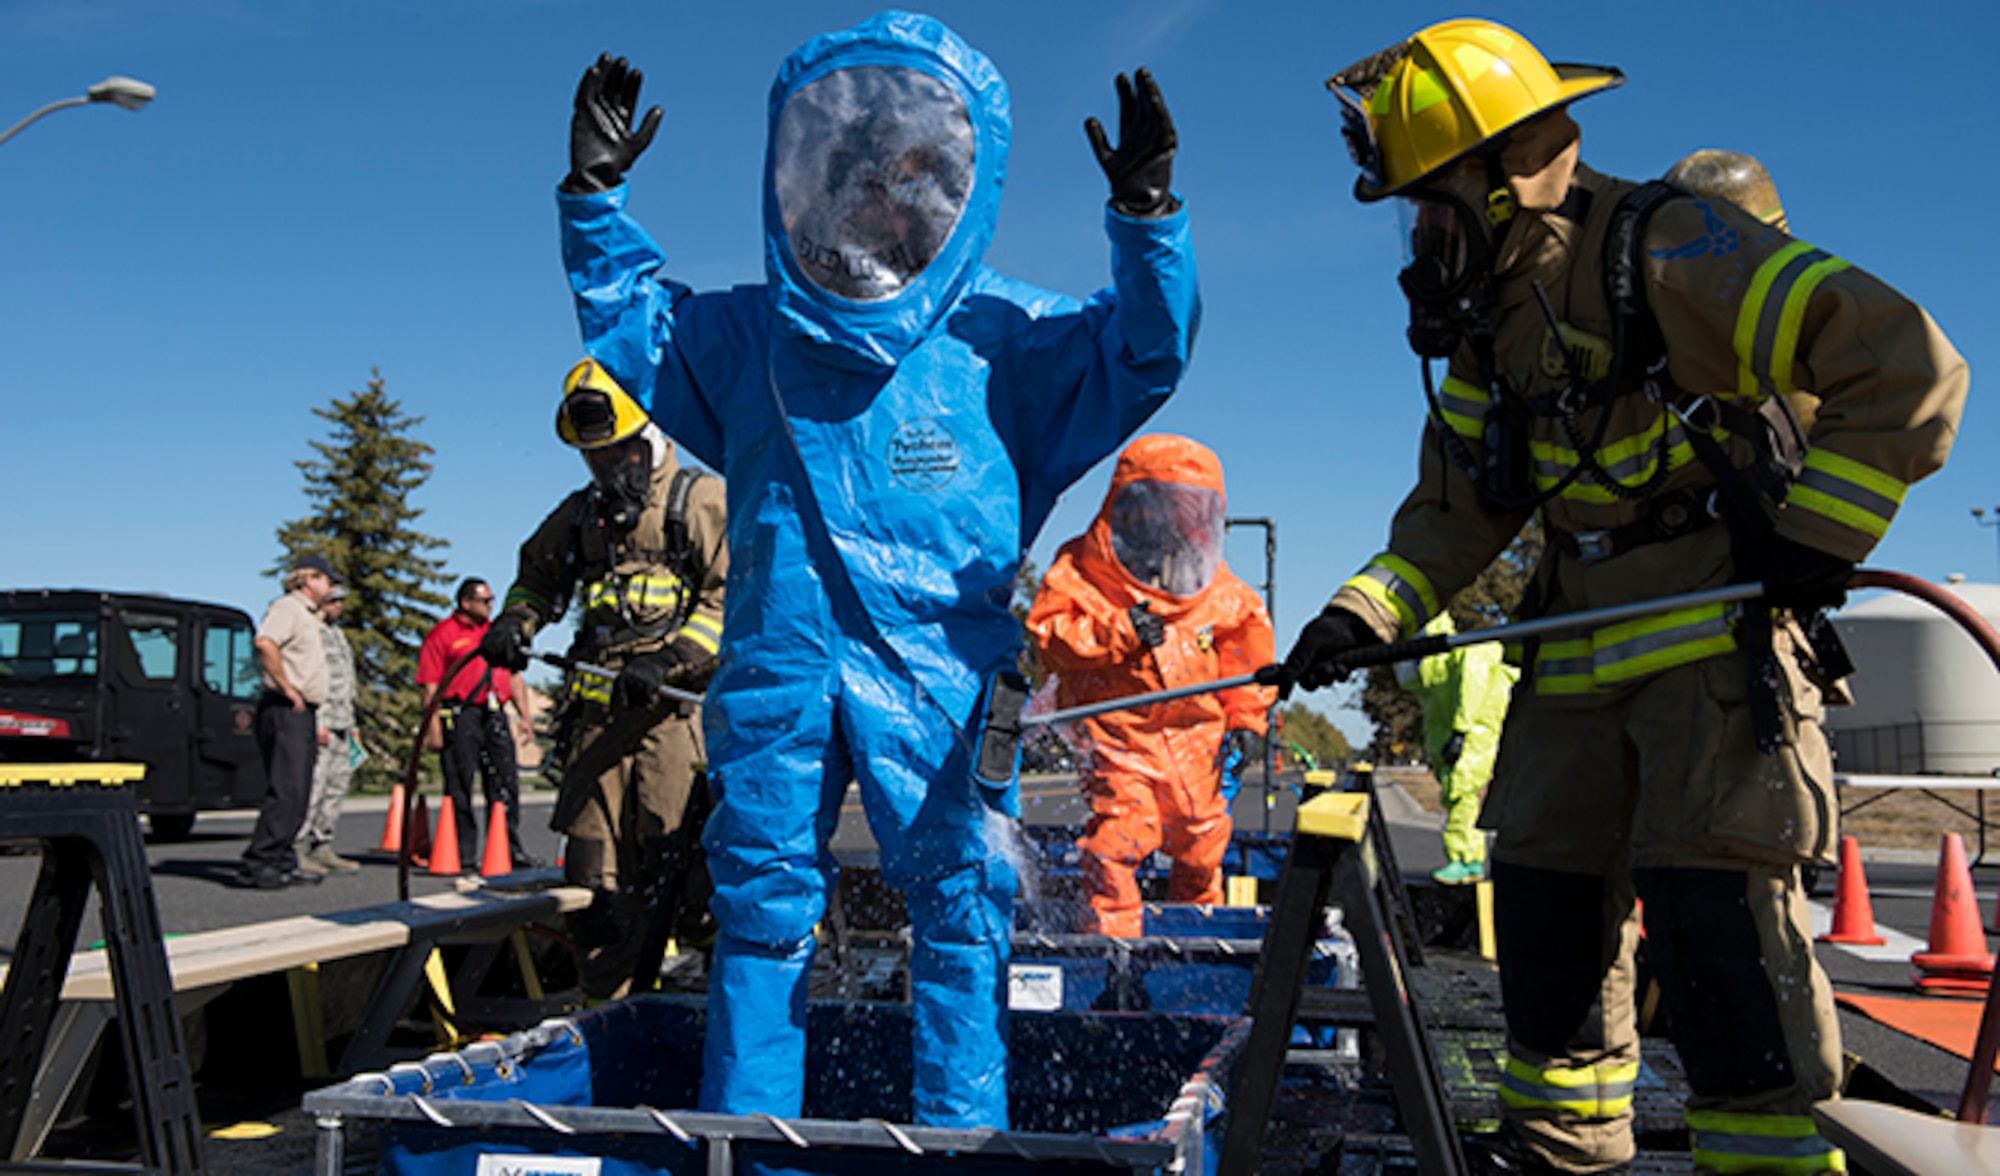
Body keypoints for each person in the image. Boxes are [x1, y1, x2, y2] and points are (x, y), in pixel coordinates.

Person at [1272, 19, 1967, 1174]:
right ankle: (1558, 1147)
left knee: (1713, 934)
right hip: (1572, 653)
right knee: (1541, 912)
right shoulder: (1485, 338)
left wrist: (1818, 538)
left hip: (1709, 648)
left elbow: (1904, 364)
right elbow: (1450, 516)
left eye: (1430, 203)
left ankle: (1769, 1164)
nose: (1421, 236)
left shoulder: (1672, 251)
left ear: (1504, 178)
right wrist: (1360, 618)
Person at [556, 12, 1198, 1128]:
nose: (876, 201)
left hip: (941, 673)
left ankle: (957, 1146)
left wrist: (1146, 222)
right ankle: (746, 1147)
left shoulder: (1005, 338)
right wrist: (594, 204)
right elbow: (631, 328)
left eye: (910, 175)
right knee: (758, 907)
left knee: (960, 909)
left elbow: (1142, 351)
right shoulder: (748, 337)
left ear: (956, 187)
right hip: (779, 669)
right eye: (850, 170)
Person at [479, 359, 727, 1000]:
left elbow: (733, 597)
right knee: (595, 888)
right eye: (594, 457)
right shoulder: (582, 515)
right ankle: (607, 1022)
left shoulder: (699, 502)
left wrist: (670, 662)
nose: (606, 468)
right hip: (597, 735)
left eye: (617, 453)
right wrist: (516, 620)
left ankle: (713, 1010)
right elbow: (538, 574)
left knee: (688, 877)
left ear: (647, 438)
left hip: (676, 724)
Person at [1027, 434, 1274, 937]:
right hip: (1119, 741)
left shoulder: (1221, 591)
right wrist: (1118, 632)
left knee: (1204, 843)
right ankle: (1109, 947)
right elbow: (1050, 638)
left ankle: (1198, 942)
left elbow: (1246, 660)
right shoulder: (1081, 572)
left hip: (1196, 743)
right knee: (1118, 839)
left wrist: (1248, 719)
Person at [417, 578, 536, 870]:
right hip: (460, 713)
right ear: (465, 602)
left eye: (492, 600)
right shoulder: (444, 634)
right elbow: (429, 684)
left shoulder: (496, 635)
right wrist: (433, 728)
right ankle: (461, 850)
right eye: (484, 600)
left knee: (505, 781)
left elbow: (512, 676)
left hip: (493, 712)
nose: (490, 606)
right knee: (460, 782)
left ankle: (509, 847)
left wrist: (524, 715)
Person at [239, 552, 339, 889]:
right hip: (284, 708)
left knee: (300, 790)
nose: (330, 586)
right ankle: (260, 860)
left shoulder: (312, 617)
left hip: (305, 711)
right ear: (309, 579)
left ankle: (283, 858)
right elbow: (265, 642)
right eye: (327, 579)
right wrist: (286, 686)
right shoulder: (287, 608)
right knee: (287, 788)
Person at [1393, 612, 1515, 886]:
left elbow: (1474, 687)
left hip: (1474, 730)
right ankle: (1465, 858)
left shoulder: (1468, 651)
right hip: (1454, 734)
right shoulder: (1436, 670)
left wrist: (1462, 730)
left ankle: (1466, 859)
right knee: (1456, 793)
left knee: (1462, 791)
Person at [295, 583, 361, 875]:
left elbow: (347, 682)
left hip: (343, 721)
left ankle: (323, 843)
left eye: (341, 601)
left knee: (336, 786)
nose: (338, 606)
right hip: (322, 719)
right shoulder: (313, 632)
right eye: (333, 601)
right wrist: (318, 720)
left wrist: (353, 724)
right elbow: (311, 678)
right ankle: (297, 844)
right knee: (315, 785)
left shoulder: (338, 634)